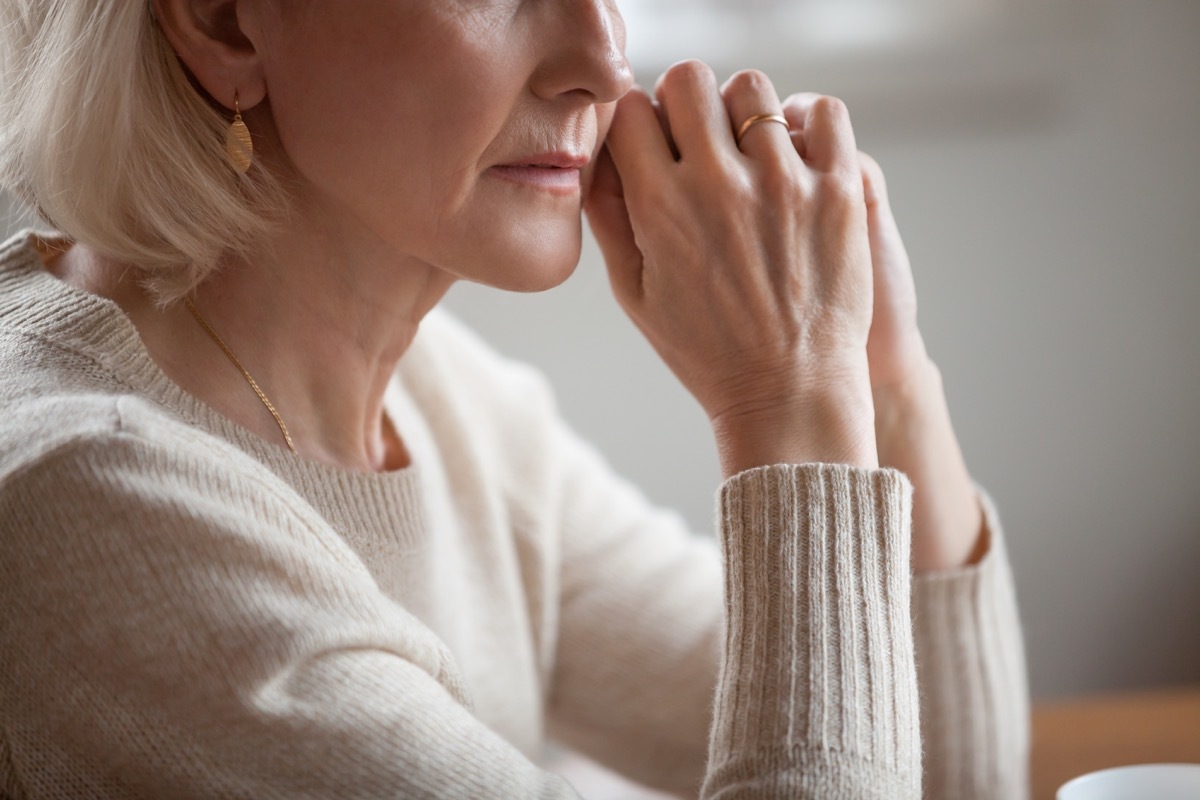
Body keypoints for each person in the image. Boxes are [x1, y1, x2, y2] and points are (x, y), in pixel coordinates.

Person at [0, 1, 1029, 798]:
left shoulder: (439, 392)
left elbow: (936, 768)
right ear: (223, 20)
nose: (601, 62)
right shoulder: (90, 497)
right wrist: (790, 395)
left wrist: (881, 374)